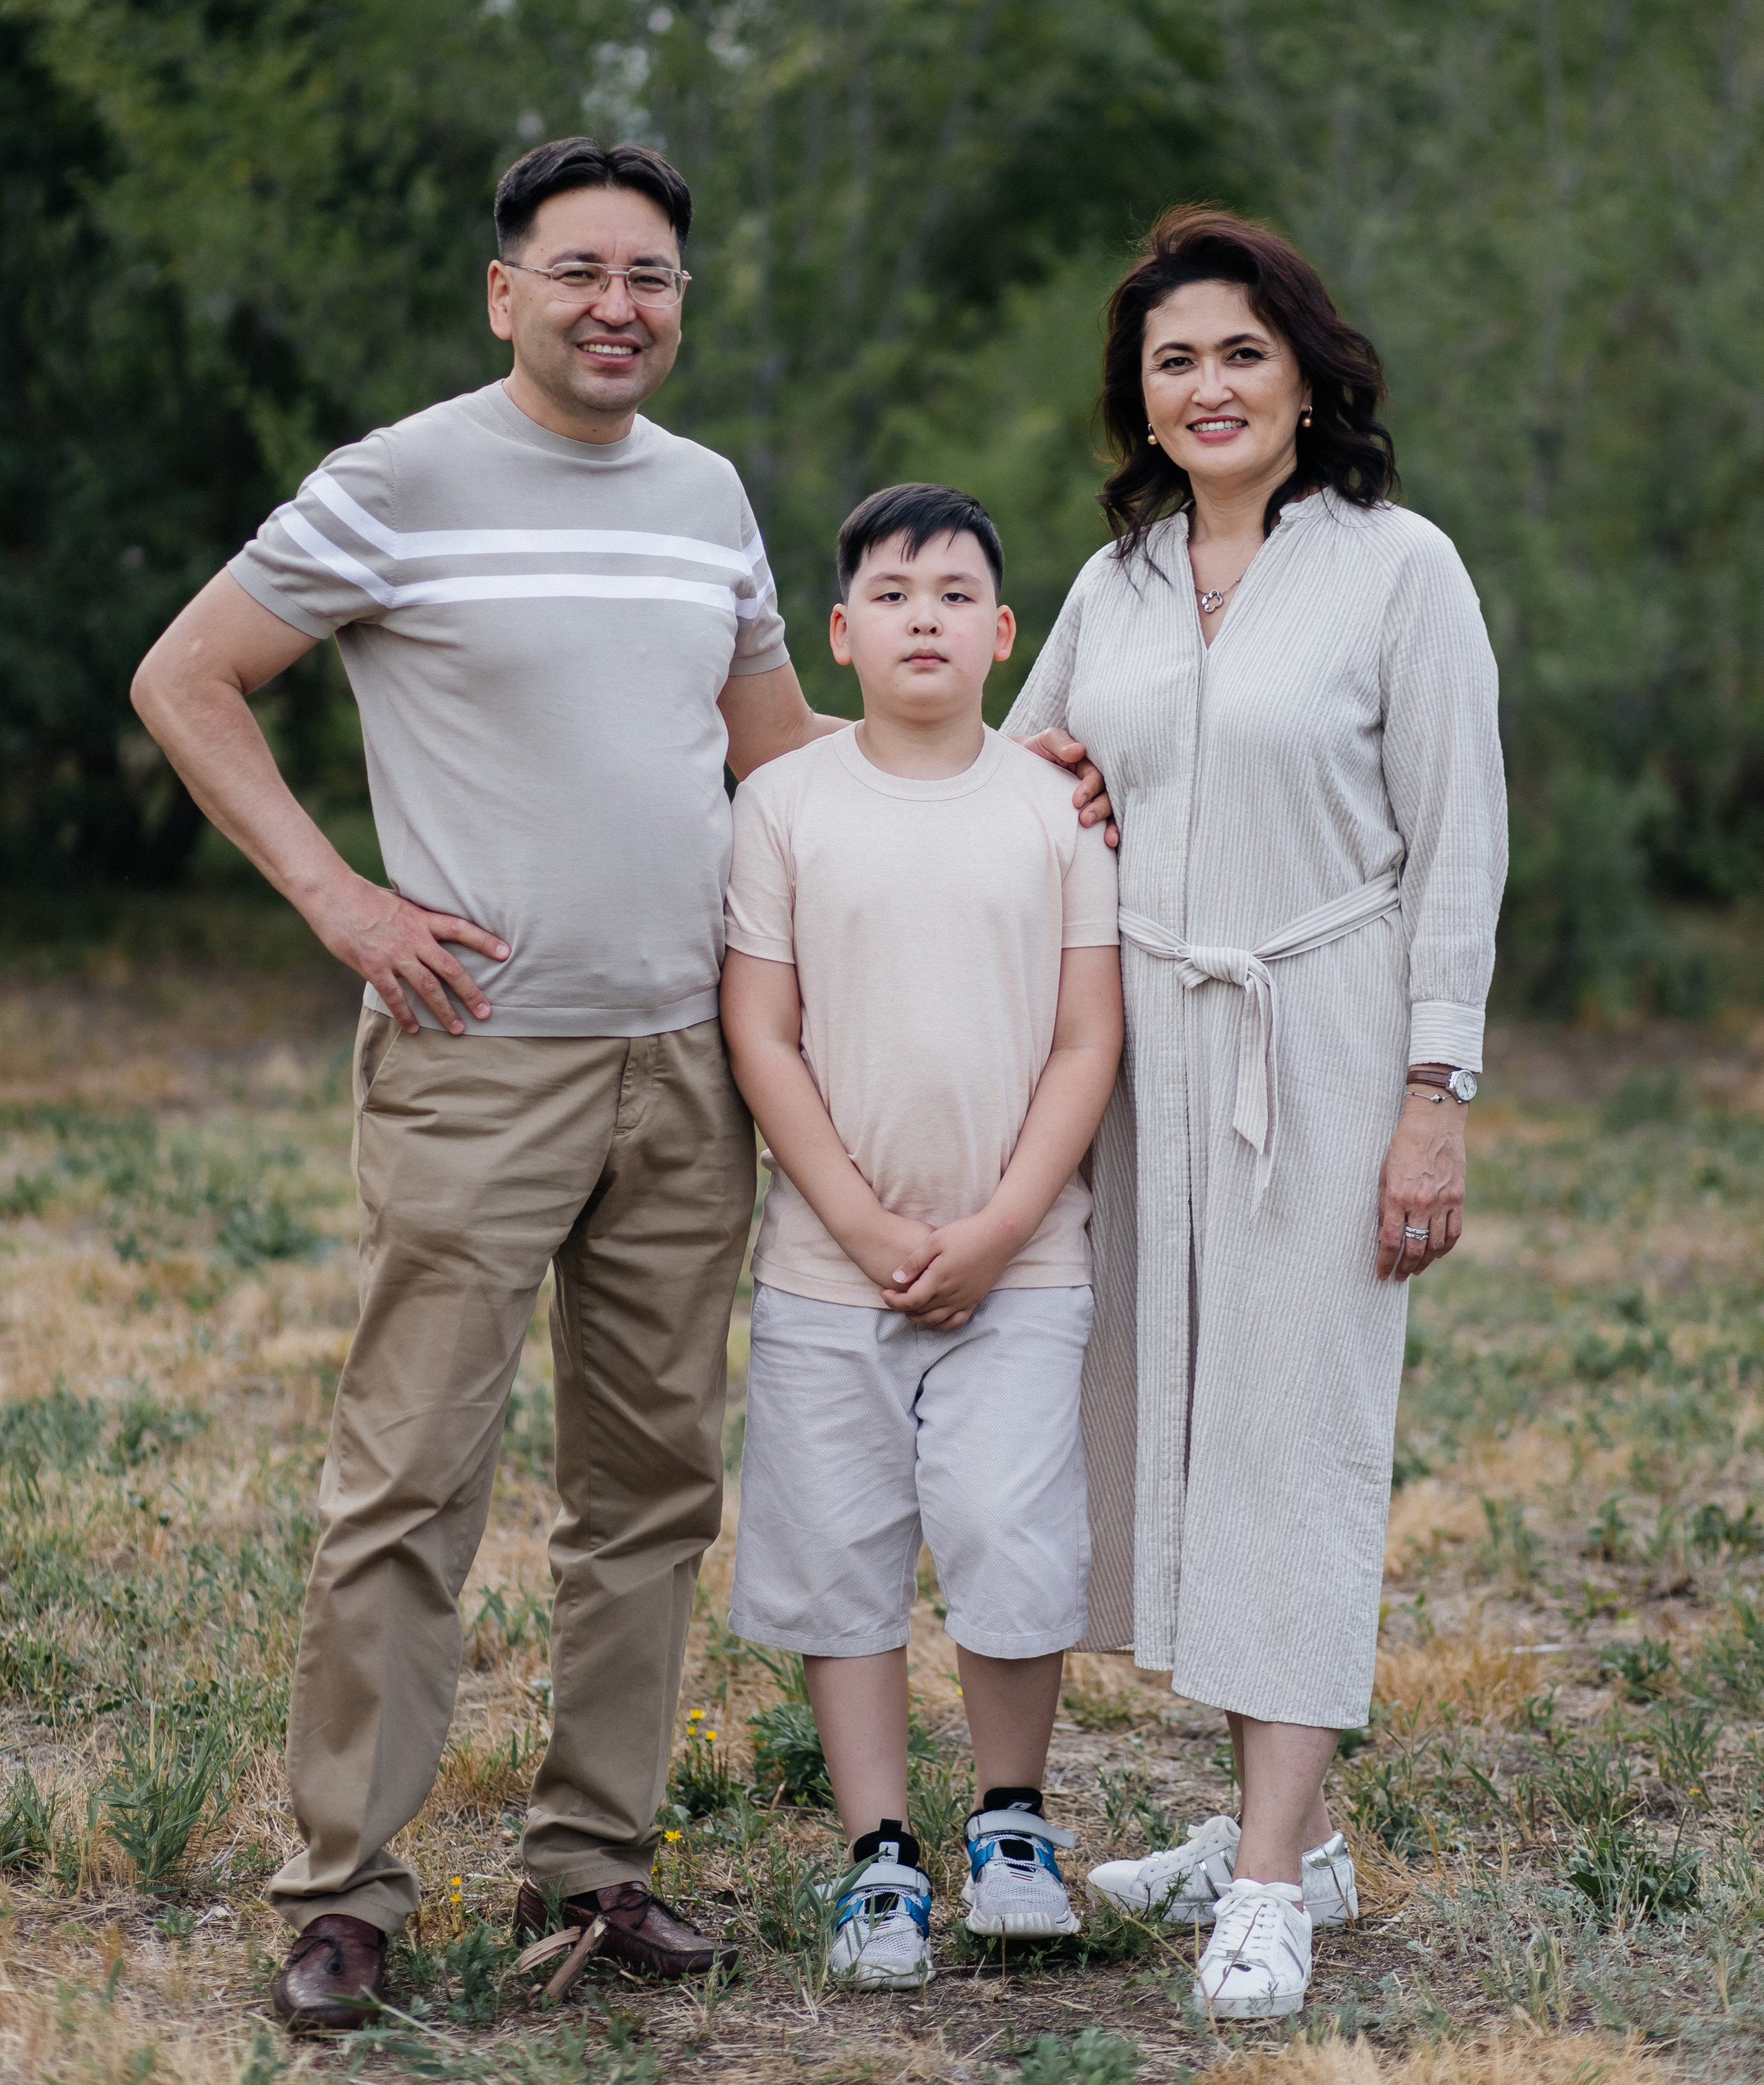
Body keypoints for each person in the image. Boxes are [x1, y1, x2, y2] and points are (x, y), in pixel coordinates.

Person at [130, 140, 1111, 2033]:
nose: (616, 306)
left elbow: (788, 753)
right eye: (577, 271)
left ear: (681, 302)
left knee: (648, 1488)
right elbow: (190, 677)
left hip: (690, 1066)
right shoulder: (395, 483)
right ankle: (346, 1891)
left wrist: (1003, 764)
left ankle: (597, 1865)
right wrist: (340, 900)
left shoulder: (706, 500)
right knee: (412, 1479)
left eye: (651, 276)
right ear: (504, 292)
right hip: (480, 1057)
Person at [1003, 209, 1506, 2022]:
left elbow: (1460, 841)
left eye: (1238, 352)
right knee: (1190, 1434)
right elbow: (1035, 775)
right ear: (1138, 399)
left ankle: (1276, 1884)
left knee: (1297, 1431)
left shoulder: (1399, 569)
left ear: (1305, 373)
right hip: (1143, 1040)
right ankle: (1274, 1819)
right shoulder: (1114, 584)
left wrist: (1433, 1095)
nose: (1206, 386)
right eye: (1172, 360)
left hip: (1328, 1031)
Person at [719, 484, 1123, 1989]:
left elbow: (1087, 1041)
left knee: (1013, 1537)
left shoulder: (1053, 809)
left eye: (955, 595)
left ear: (1003, 633)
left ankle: (1010, 1824)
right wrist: (863, 1218)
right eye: (890, 596)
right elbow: (762, 1034)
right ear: (838, 633)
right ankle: (878, 1855)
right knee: (841, 1557)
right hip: (831, 1265)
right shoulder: (785, 807)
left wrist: (999, 1225)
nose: (924, 618)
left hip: (1026, 1263)